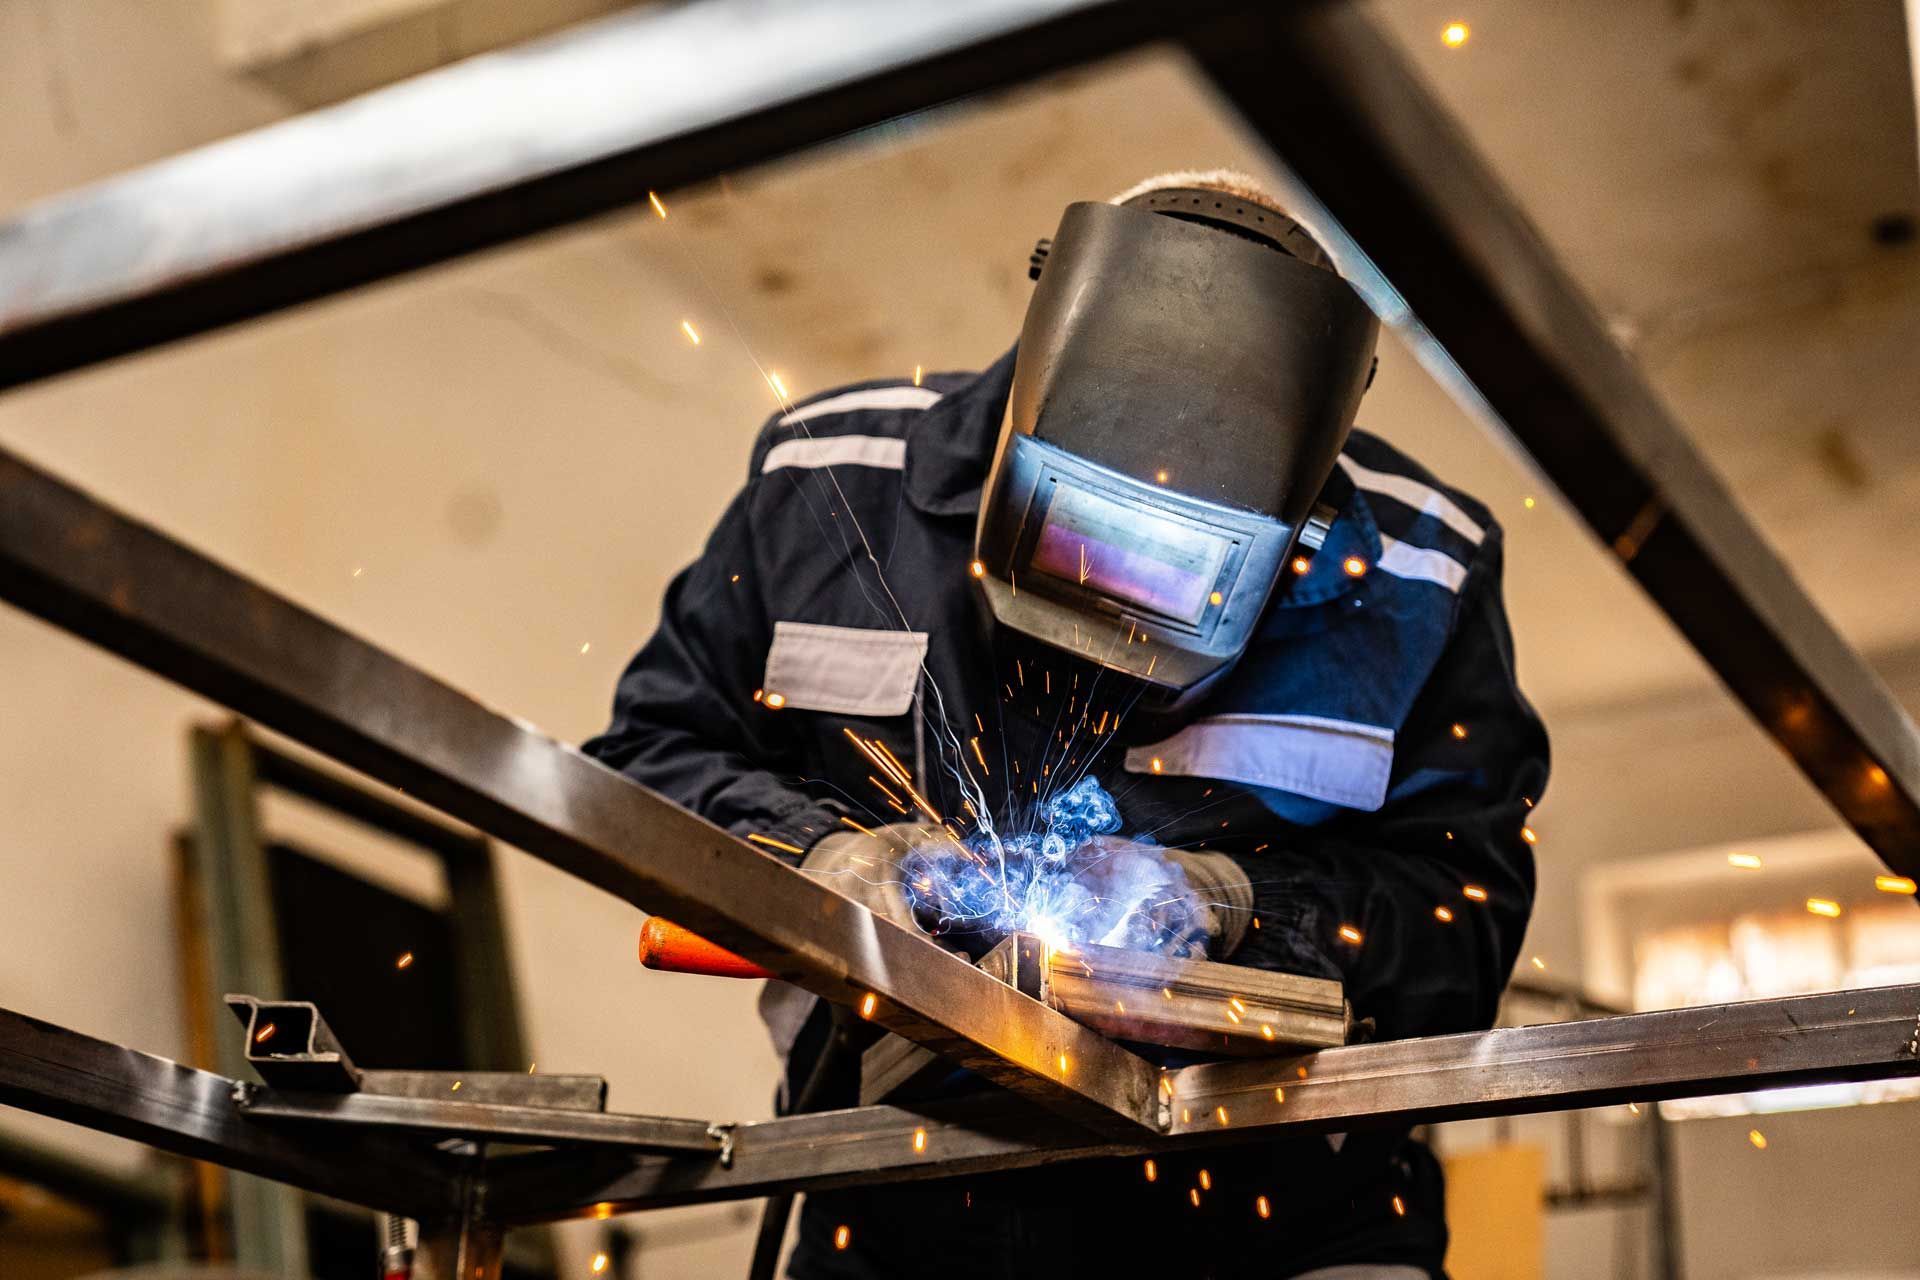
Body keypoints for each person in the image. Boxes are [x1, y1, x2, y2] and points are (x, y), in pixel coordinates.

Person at [584, 170, 1547, 1280]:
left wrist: (1236, 902)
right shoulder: (831, 484)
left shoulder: (1422, 573)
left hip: (1288, 1216)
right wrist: (817, 857)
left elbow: (1460, 914)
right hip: (896, 1191)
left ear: (1299, 513)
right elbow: (647, 761)